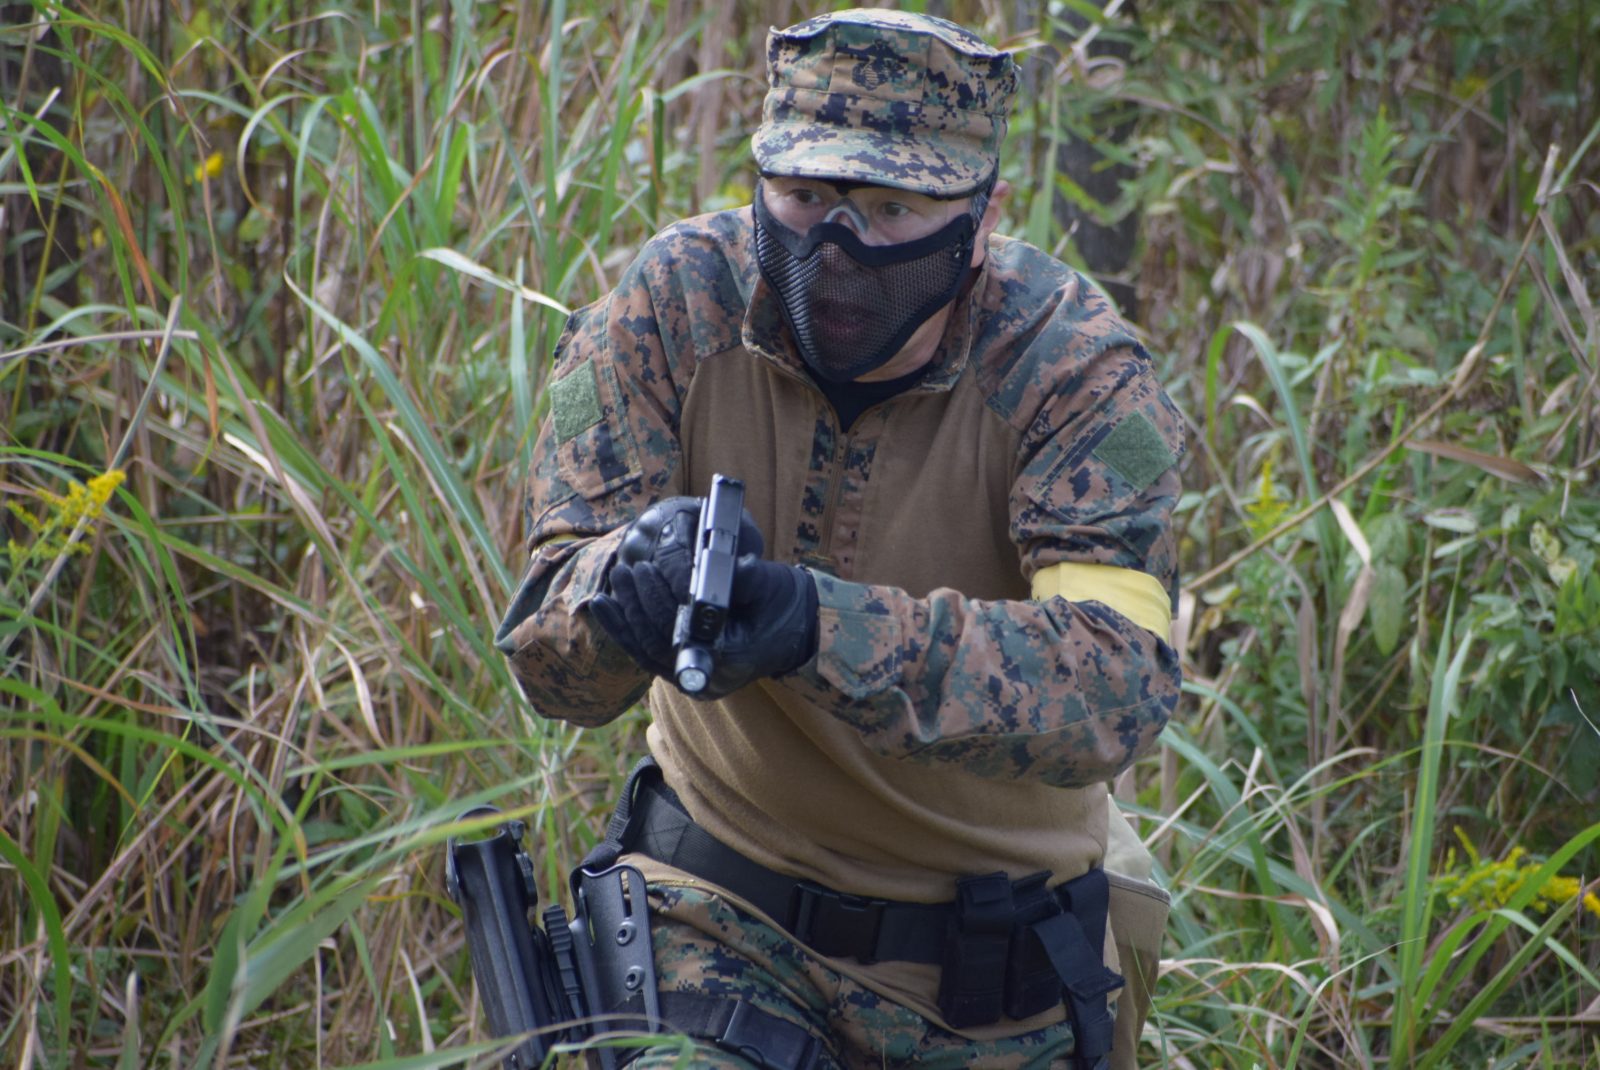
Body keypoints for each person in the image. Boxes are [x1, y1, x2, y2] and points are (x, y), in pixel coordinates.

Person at [494, 9, 1184, 1069]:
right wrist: (617, 590)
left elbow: (1113, 687)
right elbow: (553, 671)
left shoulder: (1070, 369)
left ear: (982, 215)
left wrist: (815, 628)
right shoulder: (676, 305)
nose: (840, 246)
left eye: (892, 209)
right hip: (717, 906)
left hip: (985, 967)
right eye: (806, 196)